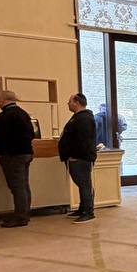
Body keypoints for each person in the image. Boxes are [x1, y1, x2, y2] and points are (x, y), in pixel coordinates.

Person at [0, 89, 35, 227]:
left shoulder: (5, 116)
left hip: (13, 155)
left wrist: (0, 152)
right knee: (23, 184)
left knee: (17, 186)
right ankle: (25, 213)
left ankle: (20, 217)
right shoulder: (23, 113)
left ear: (3, 100)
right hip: (26, 152)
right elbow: (32, 133)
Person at [58, 93, 98, 222]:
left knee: (84, 184)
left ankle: (88, 212)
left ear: (77, 102)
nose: (68, 103)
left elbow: (83, 140)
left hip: (80, 158)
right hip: (75, 157)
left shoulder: (84, 119)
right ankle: (82, 208)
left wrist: (74, 155)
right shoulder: (78, 117)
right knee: (81, 184)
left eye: (70, 101)